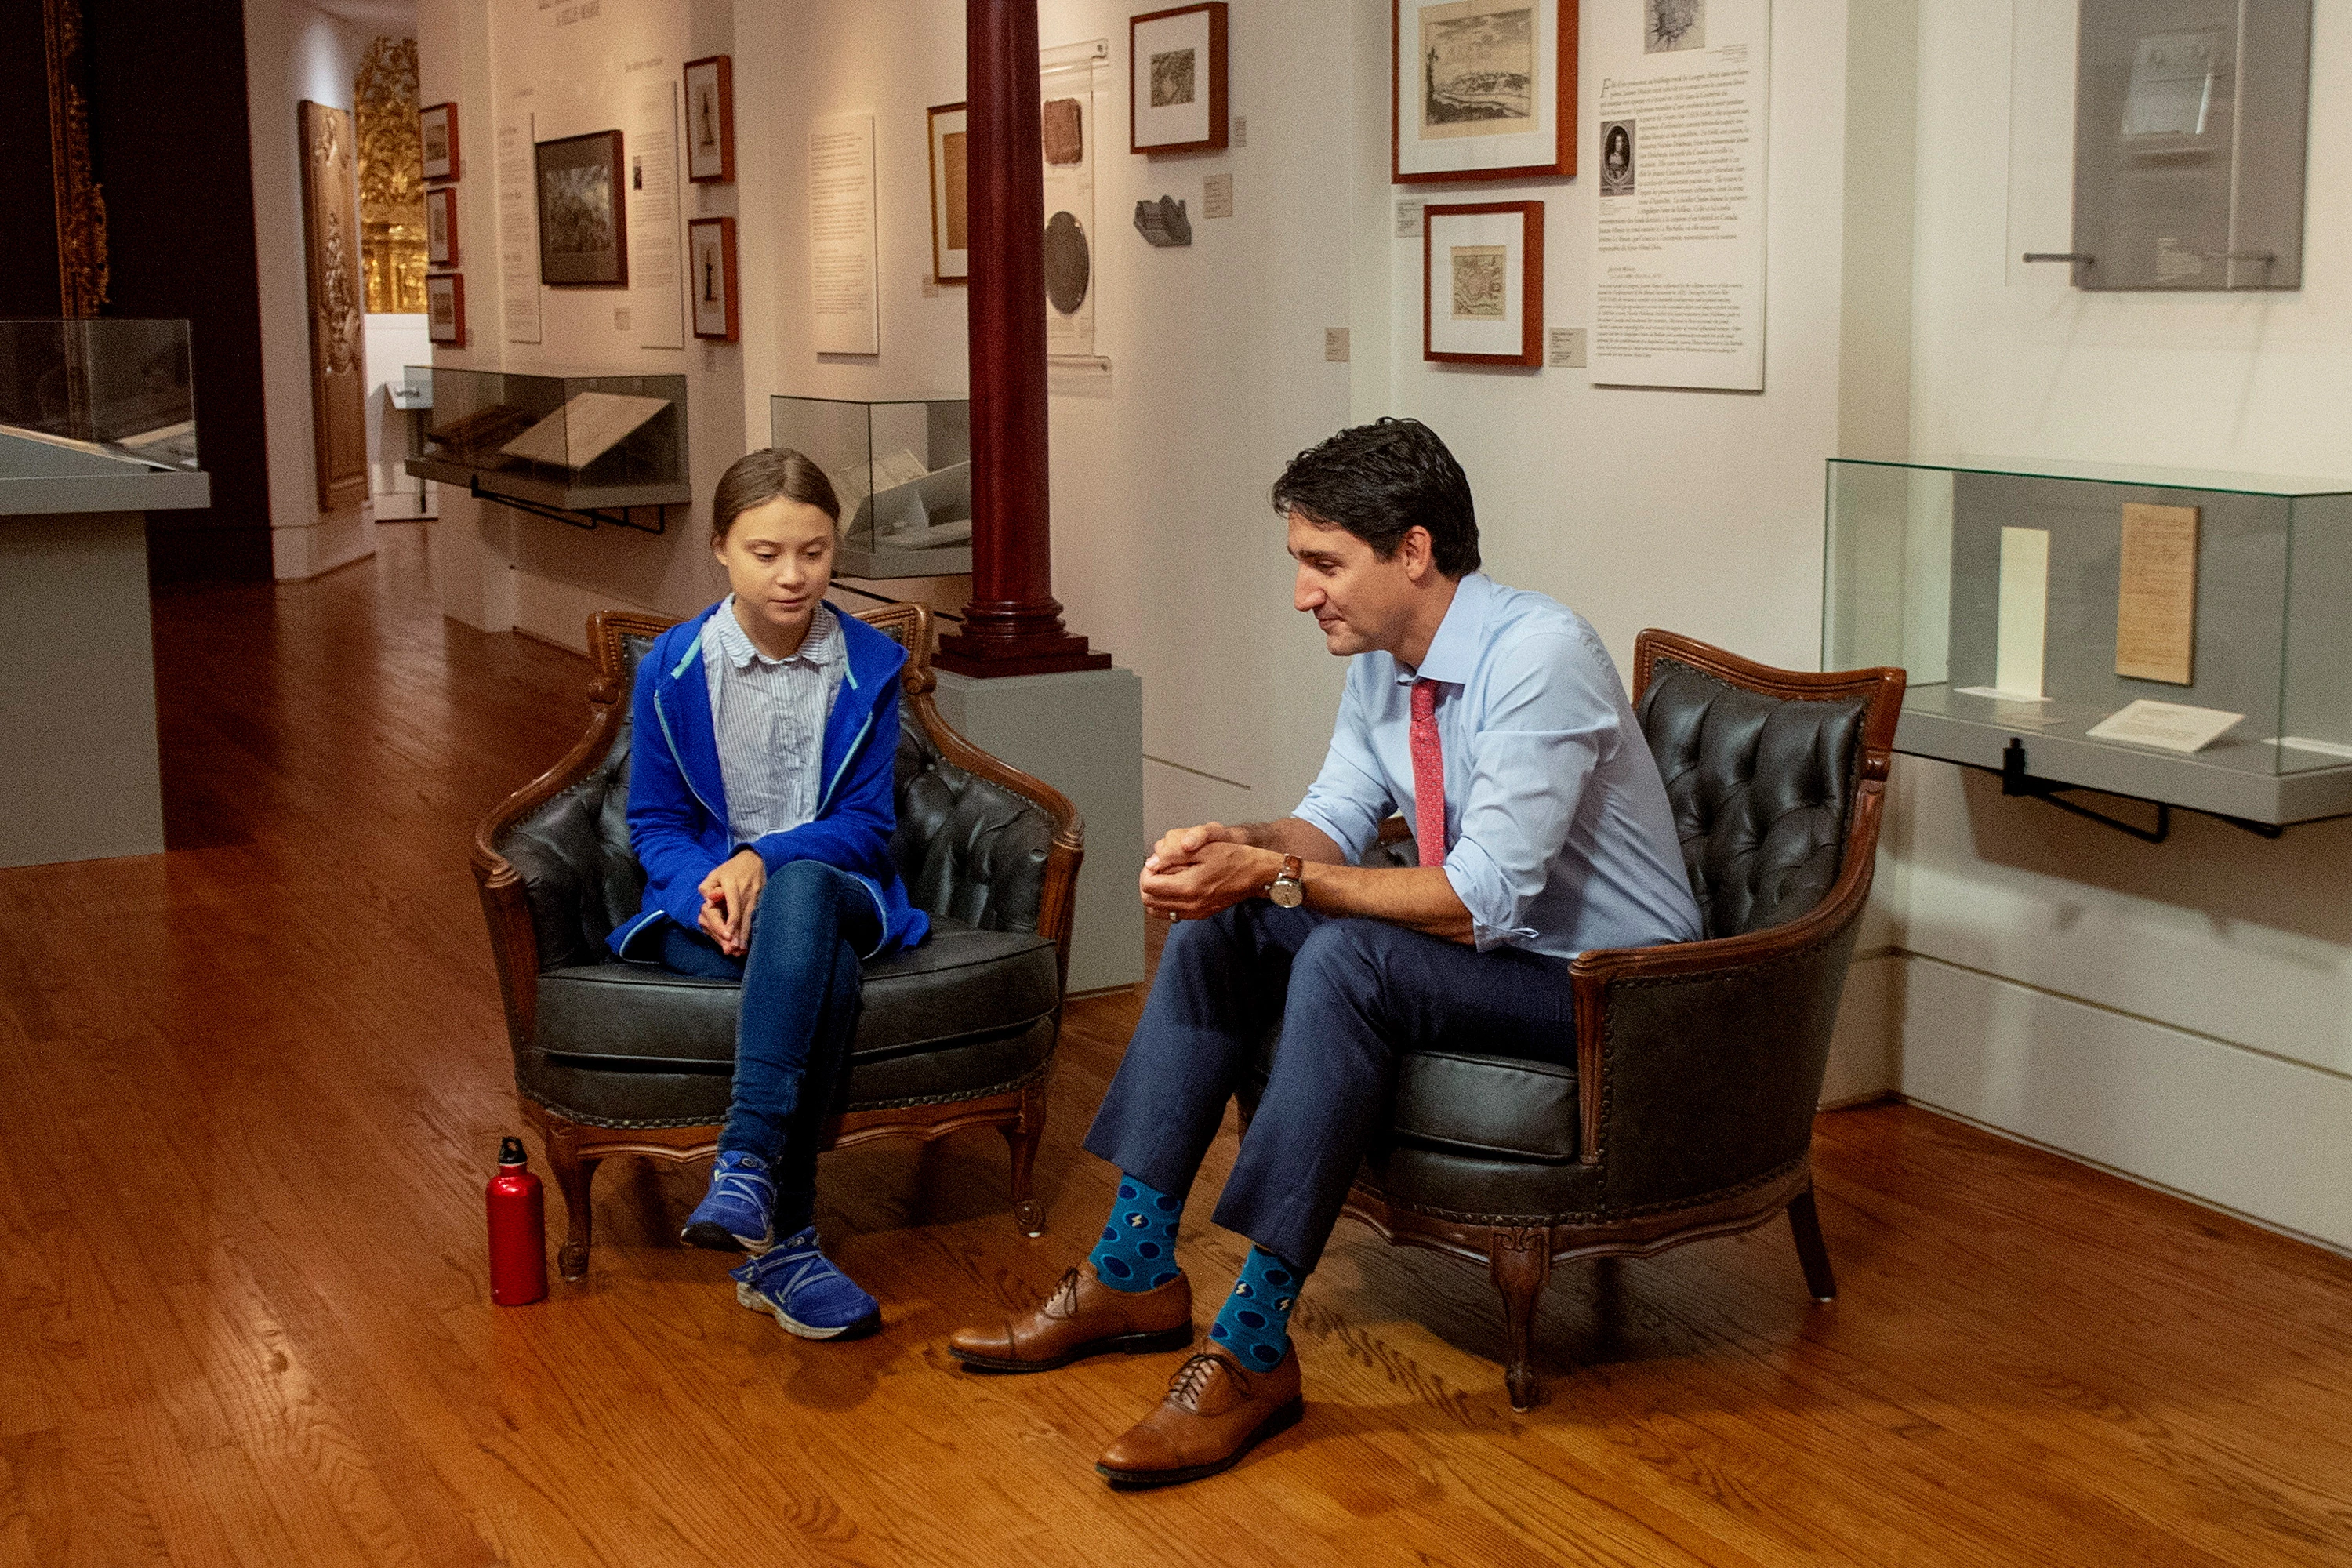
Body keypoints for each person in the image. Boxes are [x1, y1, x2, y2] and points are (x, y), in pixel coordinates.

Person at [949, 418, 1701, 1485]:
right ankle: (1134, 1269)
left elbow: (1479, 898)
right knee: (1230, 924)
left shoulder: (1541, 656)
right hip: (1502, 954)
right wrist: (1235, 850)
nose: (1305, 594)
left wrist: (1281, 875)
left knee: (1348, 958)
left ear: (1414, 551)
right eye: (1301, 564)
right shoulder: (1391, 661)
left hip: (1609, 988)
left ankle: (1254, 1347)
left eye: (1323, 564)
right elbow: (1333, 825)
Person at [608, 447, 928, 1341]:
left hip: (844, 889)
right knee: (812, 957)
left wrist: (764, 857)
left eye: (815, 552)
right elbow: (655, 824)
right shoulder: (671, 666)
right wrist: (704, 888)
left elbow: (867, 822)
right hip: (705, 911)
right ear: (719, 547)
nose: (793, 575)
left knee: (802, 896)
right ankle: (783, 1241)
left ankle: (745, 1158)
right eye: (765, 552)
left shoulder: (869, 661)